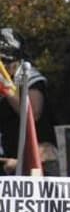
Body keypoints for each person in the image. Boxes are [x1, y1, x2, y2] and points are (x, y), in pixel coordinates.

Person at [0, 28, 54, 169]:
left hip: (31, 157)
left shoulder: (28, 77)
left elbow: (33, 113)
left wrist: (7, 90)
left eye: (6, 61)